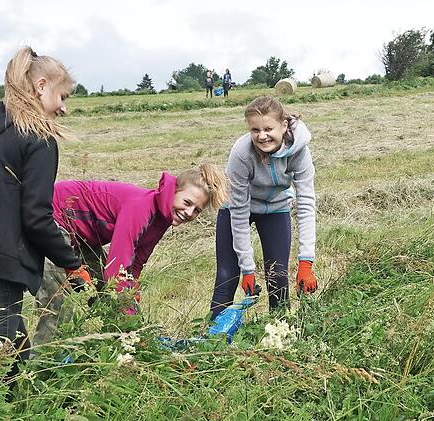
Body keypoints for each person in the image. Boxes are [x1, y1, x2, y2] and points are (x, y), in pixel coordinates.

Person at [34, 164, 228, 344]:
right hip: (53, 218)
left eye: (196, 211)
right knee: (58, 302)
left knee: (105, 295)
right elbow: (115, 269)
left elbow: (135, 264)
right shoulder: (141, 207)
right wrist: (129, 313)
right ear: (174, 191)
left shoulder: (162, 220)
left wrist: (131, 296)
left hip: (82, 237)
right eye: (187, 202)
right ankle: (41, 365)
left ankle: (120, 345)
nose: (188, 212)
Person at [0, 46, 90, 364]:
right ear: (42, 86)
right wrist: (71, 264)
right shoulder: (39, 140)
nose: (64, 109)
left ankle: (24, 405)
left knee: (17, 356)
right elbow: (36, 217)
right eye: (63, 97)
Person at [210, 96, 317, 319]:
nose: (262, 135)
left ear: (283, 125)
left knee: (277, 276)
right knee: (227, 276)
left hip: (275, 208)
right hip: (236, 208)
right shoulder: (241, 153)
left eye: (269, 128)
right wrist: (247, 269)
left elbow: (306, 203)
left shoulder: (299, 151)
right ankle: (212, 339)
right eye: (255, 130)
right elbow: (239, 212)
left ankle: (279, 332)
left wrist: (306, 262)